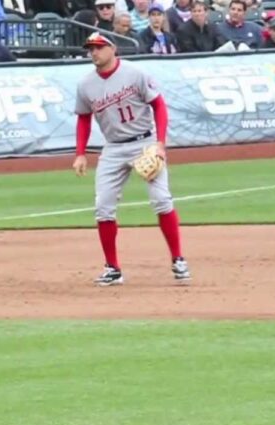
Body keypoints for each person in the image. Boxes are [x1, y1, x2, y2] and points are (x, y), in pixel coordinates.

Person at [73, 32, 191, 286]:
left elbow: (159, 105)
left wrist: (160, 143)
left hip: (145, 142)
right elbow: (83, 118)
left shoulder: (135, 74)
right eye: (90, 48)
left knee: (161, 200)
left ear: (112, 49)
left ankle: (178, 258)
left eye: (98, 47)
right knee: (103, 207)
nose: (93, 52)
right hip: (113, 148)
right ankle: (113, 268)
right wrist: (80, 153)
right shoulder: (85, 85)